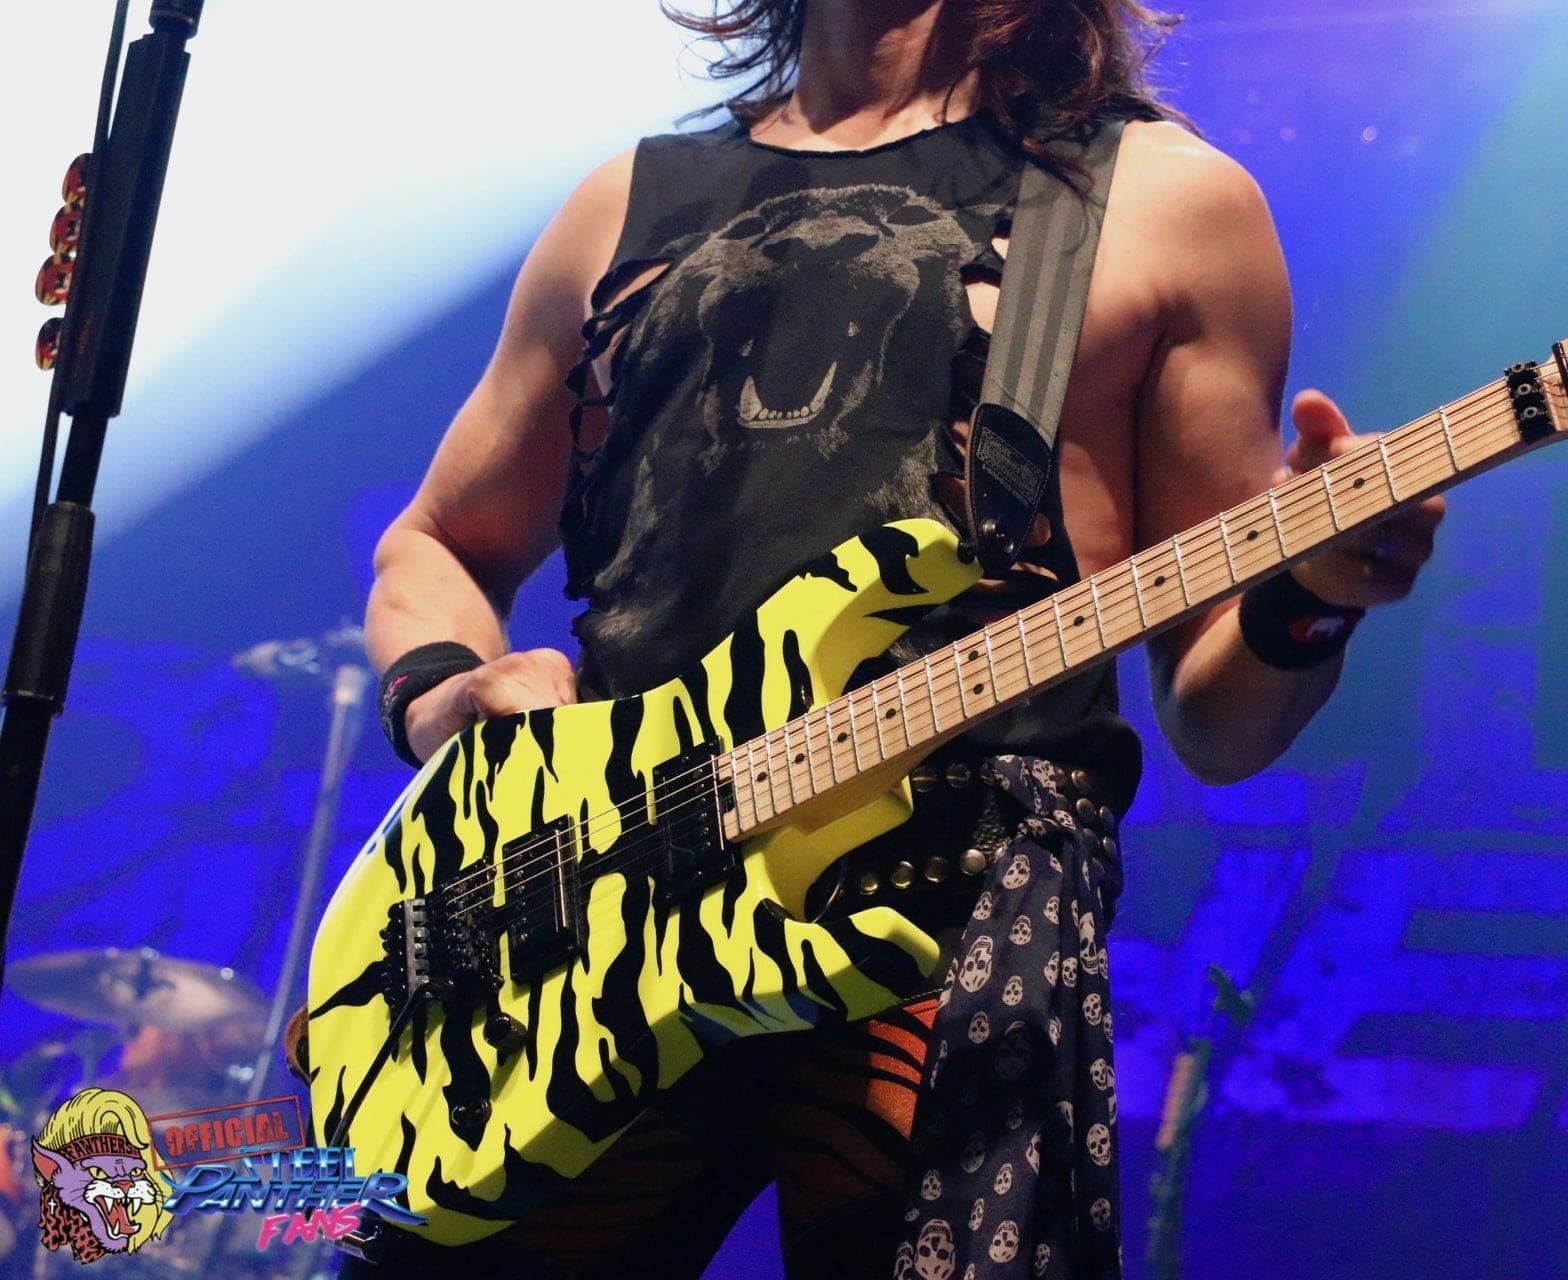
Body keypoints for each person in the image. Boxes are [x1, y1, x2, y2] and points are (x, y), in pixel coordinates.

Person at [350, 0, 1444, 1276]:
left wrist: (1310, 593)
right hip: (600, 901)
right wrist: (444, 694)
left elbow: (1219, 715)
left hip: (952, 898)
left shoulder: (1166, 201)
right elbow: (436, 541)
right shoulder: (624, 207)